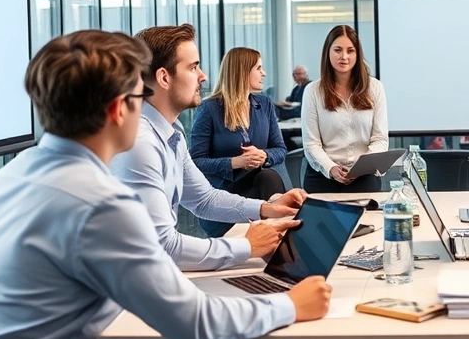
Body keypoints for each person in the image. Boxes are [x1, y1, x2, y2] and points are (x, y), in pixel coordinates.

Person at [0, 30, 330, 339]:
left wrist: (265, 210)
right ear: (118, 110)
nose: (143, 106)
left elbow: (202, 198)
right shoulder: (99, 203)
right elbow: (195, 323)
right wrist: (291, 305)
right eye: (137, 96)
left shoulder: (13, 174)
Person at [111, 24, 308, 272]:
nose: (203, 76)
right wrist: (247, 246)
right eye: (193, 67)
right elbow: (164, 247)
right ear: (164, 77)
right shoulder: (139, 144)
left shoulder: (172, 133)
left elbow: (204, 199)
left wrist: (267, 208)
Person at [190, 47, 290, 237]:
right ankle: (283, 241)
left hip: (258, 188)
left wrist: (264, 156)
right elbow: (195, 161)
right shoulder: (209, 109)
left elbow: (280, 149)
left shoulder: (264, 104)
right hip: (224, 195)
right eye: (259, 68)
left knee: (268, 176)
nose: (264, 73)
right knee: (268, 180)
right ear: (243, 71)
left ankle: (278, 239)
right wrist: (234, 163)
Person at [301, 24, 388, 193]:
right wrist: (331, 168)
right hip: (323, 177)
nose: (344, 56)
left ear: (358, 54)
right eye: (338, 50)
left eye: (350, 51)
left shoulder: (375, 87)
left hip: (364, 177)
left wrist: (362, 166)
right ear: (328, 52)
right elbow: (311, 143)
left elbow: (380, 139)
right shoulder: (313, 91)